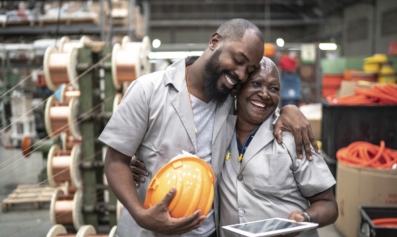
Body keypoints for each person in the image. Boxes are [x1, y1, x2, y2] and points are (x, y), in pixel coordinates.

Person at [100, 19, 319, 237]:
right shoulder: (148, 90)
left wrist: (289, 110)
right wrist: (140, 215)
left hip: (208, 232)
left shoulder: (231, 101)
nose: (241, 74)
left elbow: (260, 101)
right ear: (214, 41)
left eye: (249, 69)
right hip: (146, 231)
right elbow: (115, 160)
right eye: (238, 59)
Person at [218, 57, 338, 237]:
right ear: (237, 88)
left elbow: (328, 204)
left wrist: (305, 218)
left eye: (273, 88)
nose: (265, 94)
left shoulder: (294, 136)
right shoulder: (219, 132)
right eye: (256, 84)